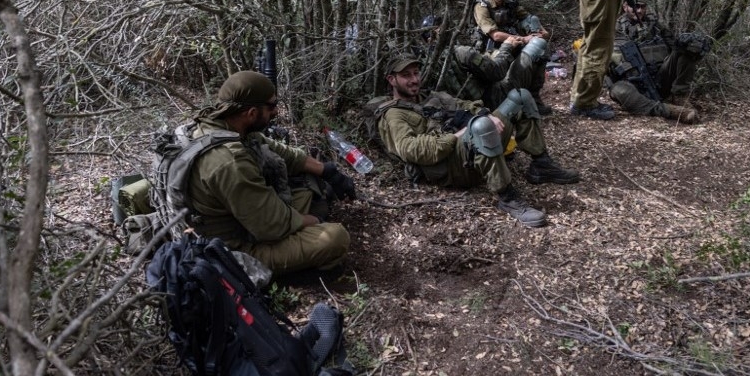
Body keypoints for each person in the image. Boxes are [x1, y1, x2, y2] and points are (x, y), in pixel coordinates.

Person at [376, 54, 580, 228]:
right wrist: (458, 134)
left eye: (415, 73)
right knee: (481, 127)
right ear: (391, 80)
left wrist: (484, 113)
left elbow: (463, 104)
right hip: (449, 167)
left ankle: (541, 164)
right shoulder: (394, 115)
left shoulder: (431, 96)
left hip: (467, 148)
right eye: (406, 76)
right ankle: (507, 197)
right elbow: (409, 149)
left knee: (520, 97)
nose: (414, 79)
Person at [186, 71, 353, 276]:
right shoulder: (230, 161)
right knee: (335, 238)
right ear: (252, 113)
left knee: (307, 190)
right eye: (272, 106)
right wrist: (316, 221)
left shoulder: (227, 128)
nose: (276, 111)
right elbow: (273, 225)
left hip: (242, 219)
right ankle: (297, 276)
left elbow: (288, 156)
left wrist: (329, 171)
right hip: (232, 249)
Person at [607, 0, 706, 124]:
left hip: (660, 78)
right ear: (625, 6)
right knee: (619, 90)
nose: (639, 11)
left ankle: (679, 96)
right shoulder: (613, 30)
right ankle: (670, 111)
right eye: (635, 6)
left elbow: (674, 48)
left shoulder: (656, 26)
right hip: (631, 85)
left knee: (686, 50)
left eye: (643, 7)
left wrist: (690, 46)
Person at [469, 0, 553, 115]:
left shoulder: (510, 3)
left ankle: (533, 97)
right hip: (491, 50)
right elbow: (494, 35)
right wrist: (524, 39)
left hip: (513, 43)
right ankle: (511, 101)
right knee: (515, 69)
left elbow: (528, 17)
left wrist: (542, 32)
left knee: (539, 54)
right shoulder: (482, 6)